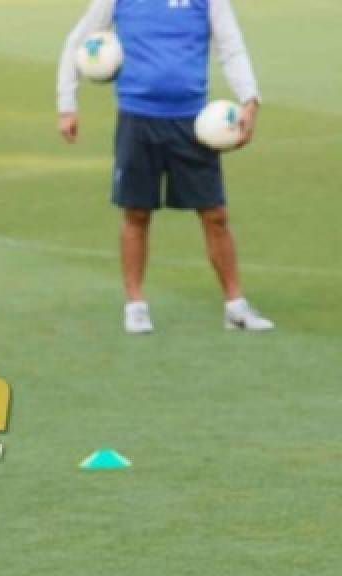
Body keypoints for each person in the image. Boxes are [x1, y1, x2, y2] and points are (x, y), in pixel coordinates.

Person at [57, 0, 274, 334]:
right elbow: (79, 39)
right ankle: (135, 306)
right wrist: (67, 104)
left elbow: (231, 46)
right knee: (136, 212)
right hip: (137, 118)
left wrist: (250, 98)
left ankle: (235, 307)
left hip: (194, 123)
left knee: (215, 214)